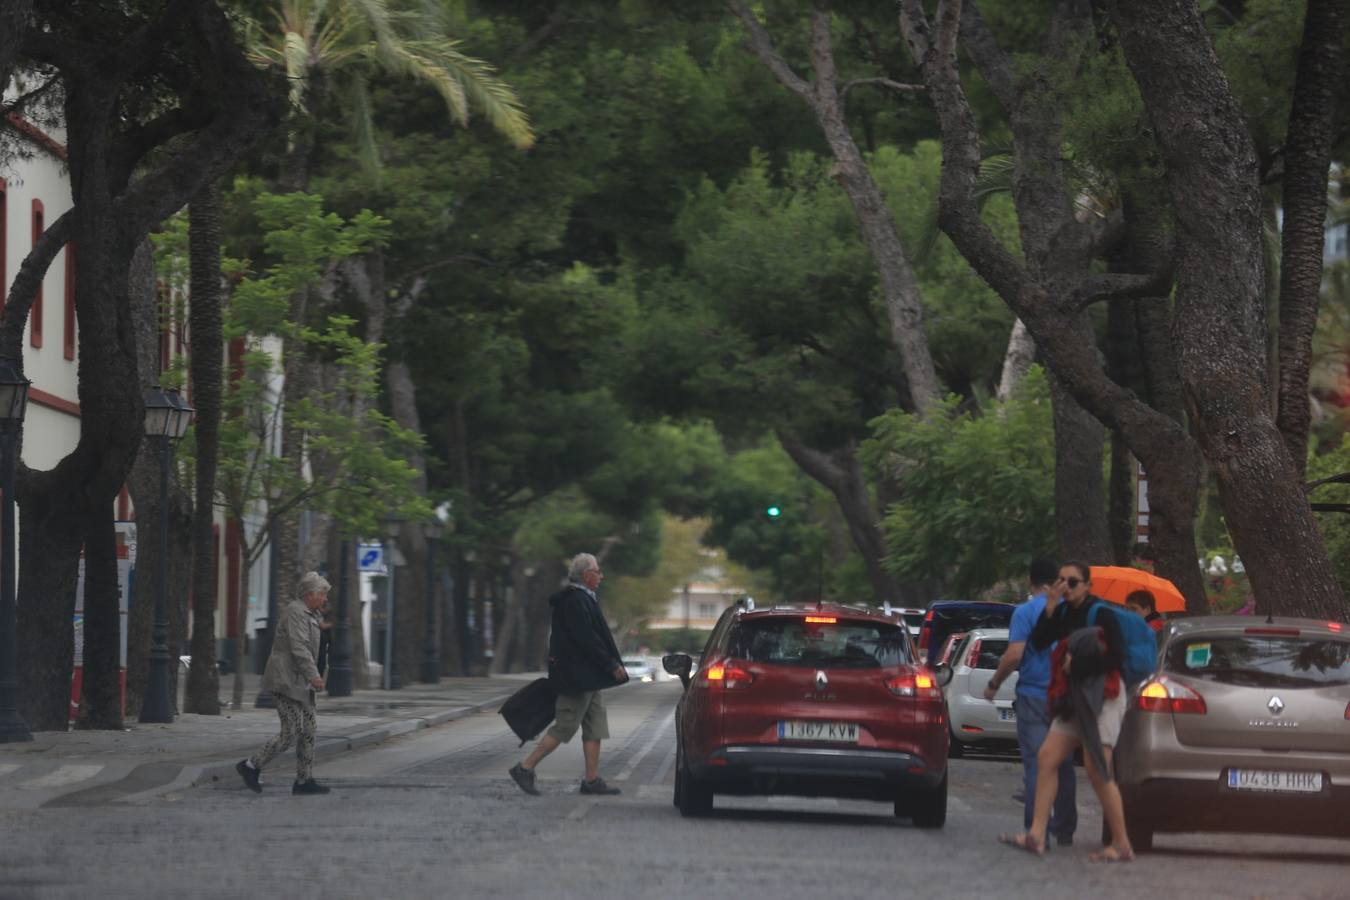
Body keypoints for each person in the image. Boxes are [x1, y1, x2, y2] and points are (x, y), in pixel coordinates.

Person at [998, 561, 1135, 862]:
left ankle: (1122, 843)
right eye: (1061, 581)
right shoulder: (1061, 611)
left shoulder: (1101, 613)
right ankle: (1036, 835)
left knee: (1097, 768)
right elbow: (1040, 641)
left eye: (1073, 582)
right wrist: (1049, 605)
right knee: (1047, 757)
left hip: (1104, 697)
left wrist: (1080, 666)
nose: (1066, 587)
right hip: (1074, 696)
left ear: (1087, 585)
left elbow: (1117, 657)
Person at [509, 553, 629, 796]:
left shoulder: (585, 599)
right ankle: (525, 767)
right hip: (576, 679)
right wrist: (610, 664)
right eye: (598, 571)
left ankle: (592, 780)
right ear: (586, 575)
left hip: (589, 679)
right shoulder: (574, 601)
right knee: (565, 727)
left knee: (595, 728)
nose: (602, 576)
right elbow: (587, 639)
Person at [984, 557, 1076, 846]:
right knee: (1063, 763)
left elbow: (1014, 655)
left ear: (1030, 581)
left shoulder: (1025, 613)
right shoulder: (1070, 611)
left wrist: (994, 683)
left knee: (1037, 764)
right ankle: (1064, 828)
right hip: (1066, 695)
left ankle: (1036, 830)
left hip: (1035, 695)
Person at [237, 571, 331, 796]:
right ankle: (250, 766)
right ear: (310, 594)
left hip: (302, 683)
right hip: (286, 681)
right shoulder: (295, 612)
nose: (325, 599)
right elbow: (299, 647)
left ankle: (303, 781)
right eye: (323, 594)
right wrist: (314, 675)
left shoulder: (311, 614)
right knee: (291, 731)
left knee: (309, 729)